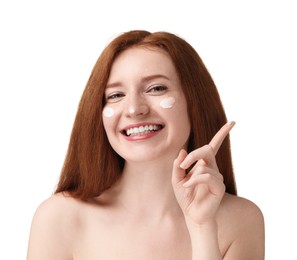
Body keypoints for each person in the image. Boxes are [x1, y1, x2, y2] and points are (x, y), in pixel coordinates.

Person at [27, 30, 265, 259]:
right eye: (115, 95)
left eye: (156, 88)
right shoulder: (59, 218)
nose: (134, 109)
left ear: (196, 101)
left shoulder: (241, 220)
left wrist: (202, 228)